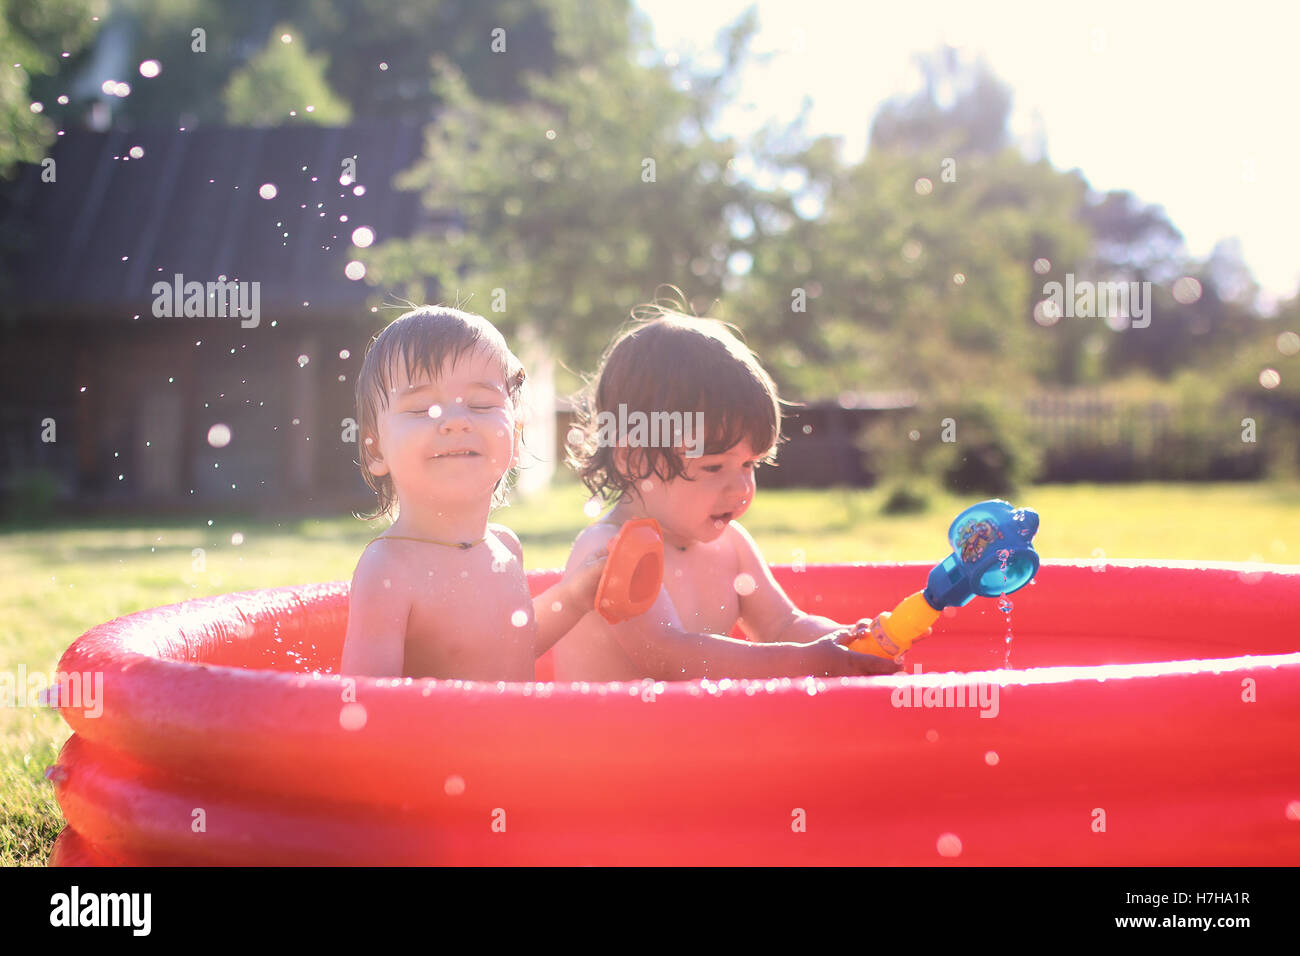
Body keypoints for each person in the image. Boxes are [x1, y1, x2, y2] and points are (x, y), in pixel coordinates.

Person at [554, 307, 904, 680]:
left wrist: (846, 642)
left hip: (689, 735)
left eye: (749, 465)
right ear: (634, 459)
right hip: (607, 737)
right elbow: (669, 656)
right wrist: (805, 661)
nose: (740, 488)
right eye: (714, 467)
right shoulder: (609, 550)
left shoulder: (731, 545)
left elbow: (782, 626)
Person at [340, 306, 604, 680]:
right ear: (375, 449)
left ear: (513, 438)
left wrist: (574, 598)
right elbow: (365, 703)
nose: (456, 420)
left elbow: (512, 647)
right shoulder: (388, 568)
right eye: (420, 409)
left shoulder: (505, 547)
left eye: (481, 404)